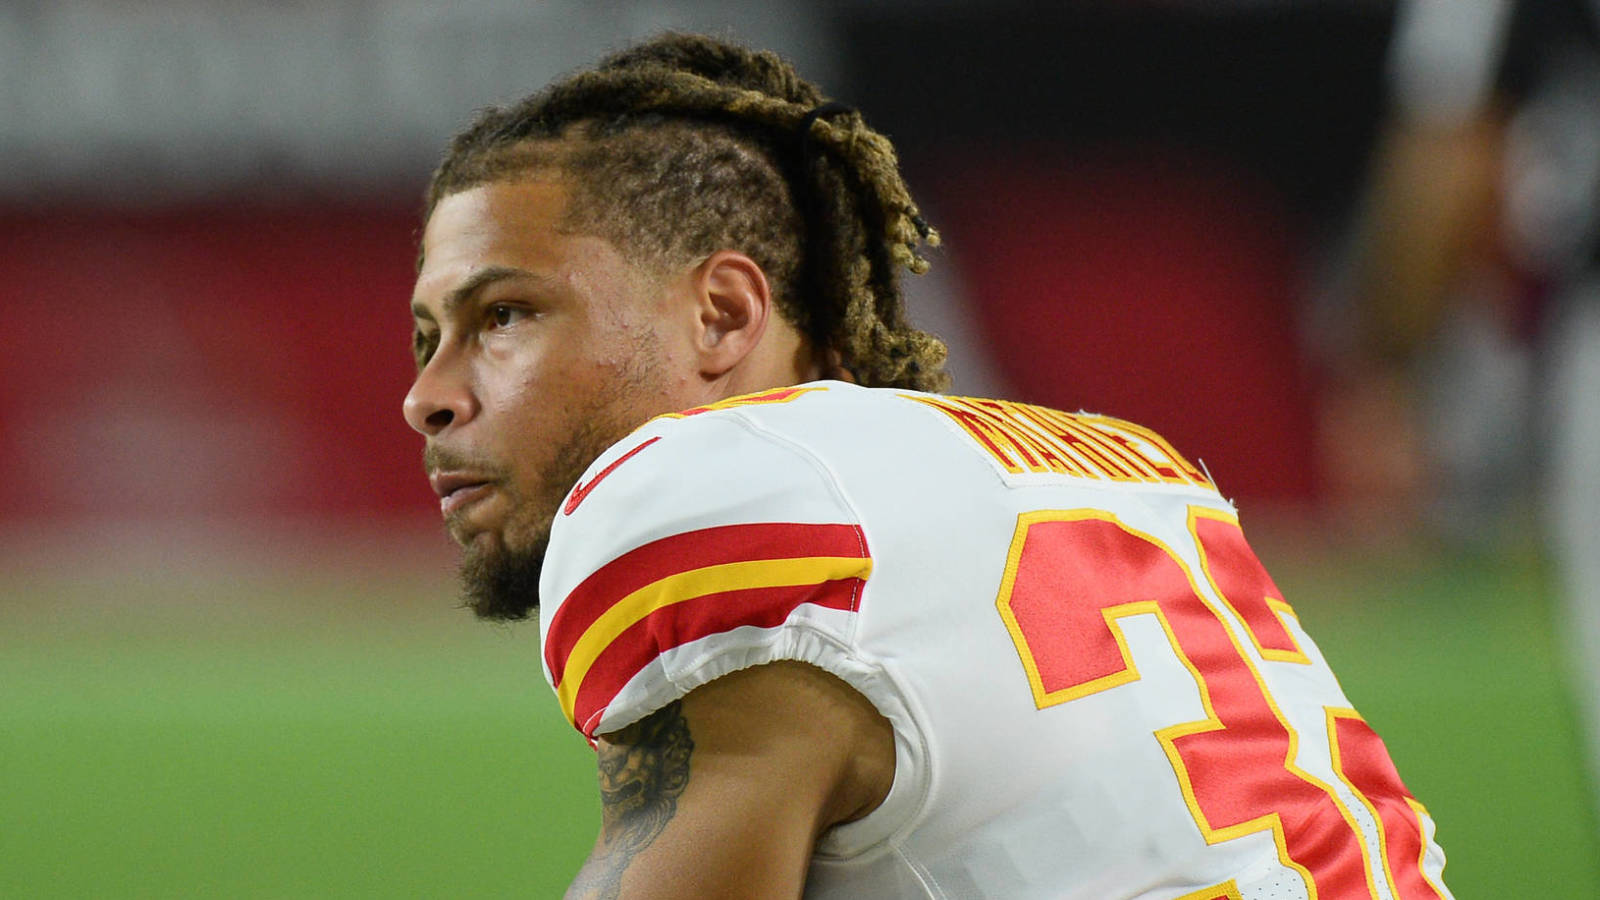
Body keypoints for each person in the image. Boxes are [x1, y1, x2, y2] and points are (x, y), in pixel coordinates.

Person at [403, 32, 1452, 899]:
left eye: (504, 316)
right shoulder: (1126, 463)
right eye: (424, 339)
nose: (428, 396)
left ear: (720, 315)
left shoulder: (698, 494)